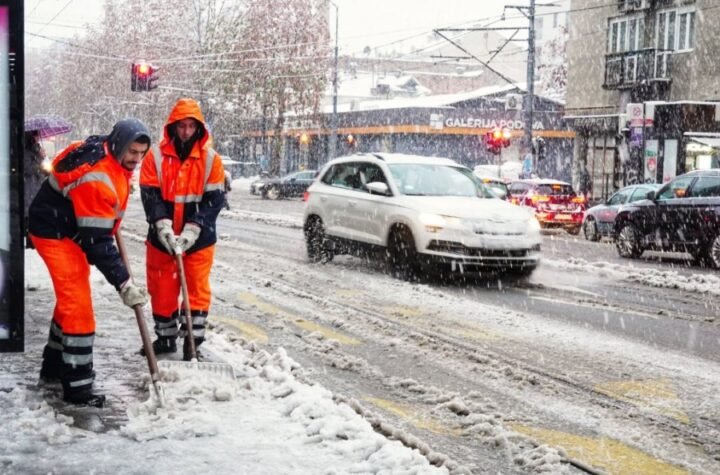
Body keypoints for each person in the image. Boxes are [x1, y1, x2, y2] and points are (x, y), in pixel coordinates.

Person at [28, 118, 151, 407]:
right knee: (79, 306)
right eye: (132, 152)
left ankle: (54, 367)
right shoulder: (98, 176)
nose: (136, 159)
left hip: (66, 226)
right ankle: (78, 385)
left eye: (141, 153)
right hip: (55, 232)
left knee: (72, 298)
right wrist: (124, 283)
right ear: (120, 144)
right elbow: (97, 243)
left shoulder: (104, 150)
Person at [140, 98, 225, 361]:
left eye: (191, 126)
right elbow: (150, 195)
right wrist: (162, 224)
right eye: (182, 126)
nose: (186, 132)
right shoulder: (155, 156)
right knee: (162, 288)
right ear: (173, 127)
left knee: (197, 289)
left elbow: (214, 201)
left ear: (199, 128)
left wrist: (195, 227)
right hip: (161, 239)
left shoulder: (211, 160)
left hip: (198, 240)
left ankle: (192, 341)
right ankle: (165, 339)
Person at [24, 131, 48, 247]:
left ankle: (34, 239)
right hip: (30, 186)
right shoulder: (26, 151)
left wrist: (42, 157)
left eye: (38, 135)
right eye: (35, 135)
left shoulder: (37, 150)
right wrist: (40, 163)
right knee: (29, 213)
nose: (38, 138)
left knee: (35, 213)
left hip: (37, 185)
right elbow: (27, 168)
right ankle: (30, 241)